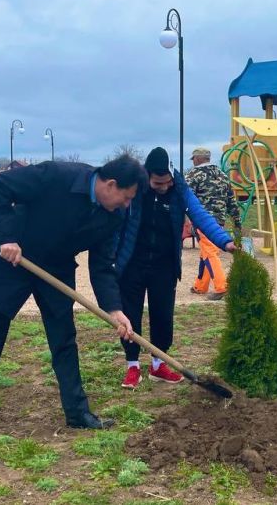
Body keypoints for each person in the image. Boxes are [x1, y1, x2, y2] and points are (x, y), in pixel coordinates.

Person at [0, 156, 145, 435]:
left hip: (55, 271)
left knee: (64, 340)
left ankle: (77, 411)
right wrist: (6, 237)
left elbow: (102, 265)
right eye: (126, 197)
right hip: (13, 261)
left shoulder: (112, 216)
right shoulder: (57, 175)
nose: (126, 205)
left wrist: (114, 308)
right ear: (111, 184)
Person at [116, 147, 236, 389]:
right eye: (158, 183)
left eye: (167, 181)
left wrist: (225, 241)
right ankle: (132, 366)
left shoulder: (180, 190)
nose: (163, 186)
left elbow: (202, 216)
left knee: (162, 316)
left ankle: (159, 365)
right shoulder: (134, 190)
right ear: (147, 176)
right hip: (133, 264)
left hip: (164, 265)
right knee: (130, 316)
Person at [185, 147, 242, 301]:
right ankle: (200, 285)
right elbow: (232, 201)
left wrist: (185, 220)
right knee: (207, 250)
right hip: (219, 222)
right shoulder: (223, 176)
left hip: (202, 221)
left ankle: (221, 286)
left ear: (196, 159)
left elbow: (185, 199)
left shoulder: (193, 175)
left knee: (209, 252)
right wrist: (237, 222)